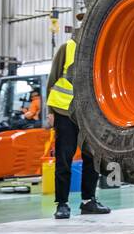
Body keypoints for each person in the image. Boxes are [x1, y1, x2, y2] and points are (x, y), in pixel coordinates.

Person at [46, 37, 110, 220]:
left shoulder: (99, 49)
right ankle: (62, 204)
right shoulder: (67, 48)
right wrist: (50, 110)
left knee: (92, 158)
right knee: (64, 157)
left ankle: (88, 201)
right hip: (64, 111)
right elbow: (52, 79)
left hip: (90, 115)